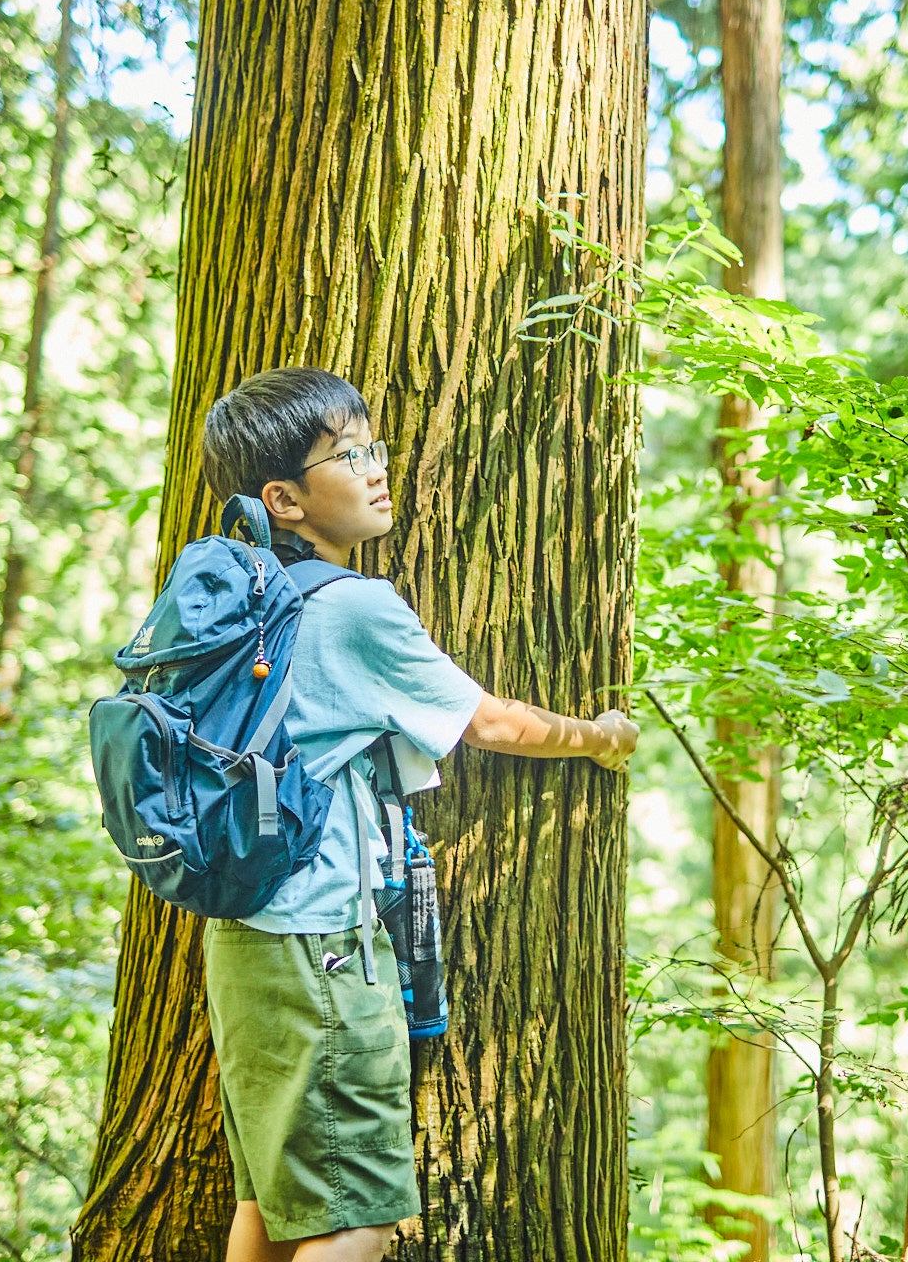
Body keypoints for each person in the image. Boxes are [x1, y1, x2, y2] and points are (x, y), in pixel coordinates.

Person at [198, 367, 639, 1262]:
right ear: (283, 499)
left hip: (242, 941)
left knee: (276, 1203)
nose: (374, 466)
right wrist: (599, 734)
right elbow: (491, 723)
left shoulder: (232, 599)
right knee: (356, 1218)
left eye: (373, 444)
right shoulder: (353, 607)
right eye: (346, 454)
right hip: (322, 945)